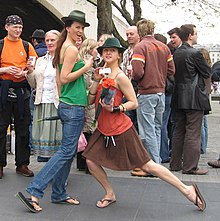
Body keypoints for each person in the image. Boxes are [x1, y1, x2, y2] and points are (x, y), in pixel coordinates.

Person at [82, 37, 206, 211]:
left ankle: (187, 190)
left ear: (119, 55)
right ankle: (109, 193)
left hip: (121, 129)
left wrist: (117, 109)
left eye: (112, 50)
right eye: (105, 50)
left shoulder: (121, 77)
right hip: (103, 129)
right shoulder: (101, 74)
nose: (108, 53)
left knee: (148, 165)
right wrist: (95, 80)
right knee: (91, 161)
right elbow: (89, 101)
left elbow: (134, 102)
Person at [16, 10, 94, 212]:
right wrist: (86, 66)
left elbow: (60, 80)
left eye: (82, 28)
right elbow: (66, 77)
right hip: (73, 106)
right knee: (66, 151)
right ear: (67, 28)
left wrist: (62, 100)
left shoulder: (62, 48)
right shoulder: (70, 50)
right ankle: (34, 191)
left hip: (68, 104)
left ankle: (59, 193)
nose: (80, 31)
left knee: (68, 152)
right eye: (77, 27)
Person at [131, 19, 175, 176]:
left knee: (147, 129)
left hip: (146, 92)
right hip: (160, 93)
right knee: (156, 127)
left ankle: (152, 167)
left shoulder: (140, 47)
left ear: (140, 31)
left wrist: (138, 77)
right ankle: (156, 164)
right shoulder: (164, 47)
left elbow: (137, 72)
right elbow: (171, 70)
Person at [170, 24, 211, 175]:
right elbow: (207, 72)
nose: (197, 35)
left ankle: (175, 164)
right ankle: (190, 167)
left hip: (178, 96)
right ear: (190, 36)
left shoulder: (176, 53)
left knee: (179, 130)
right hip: (193, 97)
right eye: (196, 33)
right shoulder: (194, 53)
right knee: (193, 132)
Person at [0, 15, 37, 179]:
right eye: (15, 27)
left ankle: (22, 163)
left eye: (20, 27)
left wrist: (26, 71)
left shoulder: (27, 46)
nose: (18, 30)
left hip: (22, 91)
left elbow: (33, 66)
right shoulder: (1, 45)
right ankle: (0, 164)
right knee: (1, 128)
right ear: (6, 27)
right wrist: (6, 70)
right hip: (4, 90)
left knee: (23, 128)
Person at [26, 30, 62, 162]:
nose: (49, 43)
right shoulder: (40, 60)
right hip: (41, 102)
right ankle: (48, 171)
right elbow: (34, 84)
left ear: (59, 41)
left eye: (53, 40)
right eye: (47, 40)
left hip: (57, 102)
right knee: (44, 145)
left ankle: (57, 173)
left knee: (57, 141)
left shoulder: (63, 59)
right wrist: (30, 72)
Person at [77, 38, 98, 171]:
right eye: (96, 48)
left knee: (83, 130)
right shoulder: (87, 63)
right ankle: (87, 163)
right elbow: (86, 82)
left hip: (82, 99)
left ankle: (81, 163)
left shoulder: (82, 60)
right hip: (86, 100)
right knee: (88, 129)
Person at [154, 33, 175, 164]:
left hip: (160, 91)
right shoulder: (167, 53)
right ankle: (163, 153)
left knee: (158, 125)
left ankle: (161, 154)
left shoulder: (154, 55)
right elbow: (172, 71)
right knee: (162, 124)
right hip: (166, 92)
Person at [198, 48, 212, 154]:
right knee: (205, 123)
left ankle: (202, 146)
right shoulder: (209, 67)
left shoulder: (201, 68)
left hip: (202, 94)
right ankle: (204, 145)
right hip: (207, 95)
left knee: (201, 123)